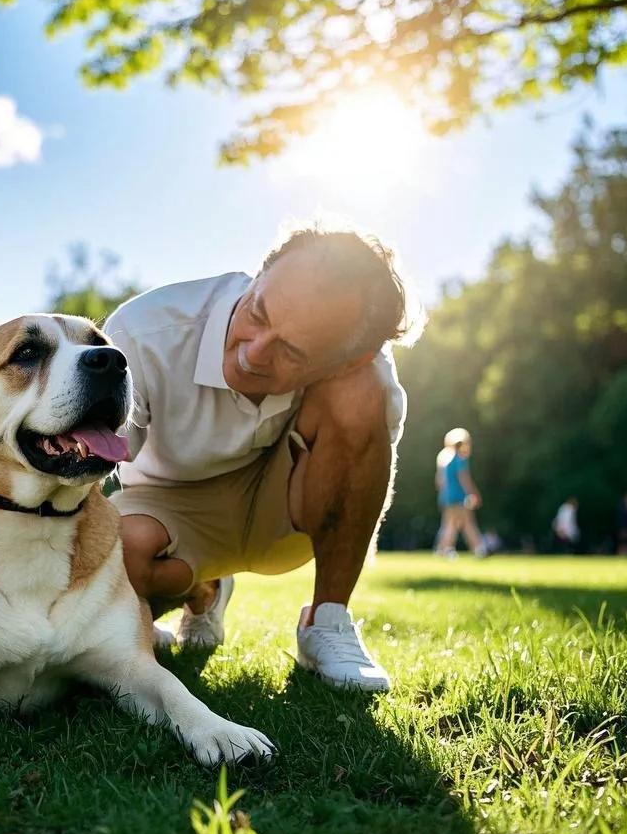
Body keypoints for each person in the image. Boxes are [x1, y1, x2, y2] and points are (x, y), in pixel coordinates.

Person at [104, 224, 420, 692]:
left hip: (285, 502)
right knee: (116, 556)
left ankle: (327, 623)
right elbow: (92, 463)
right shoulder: (144, 331)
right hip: (169, 502)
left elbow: (358, 475)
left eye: (291, 350)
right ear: (260, 273)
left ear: (345, 359)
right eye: (258, 312)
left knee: (358, 397)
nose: (254, 353)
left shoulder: (360, 370)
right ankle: (202, 589)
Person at [433, 428, 487, 559]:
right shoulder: (459, 459)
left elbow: (439, 483)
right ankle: (479, 548)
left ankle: (443, 549)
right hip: (458, 496)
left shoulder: (445, 460)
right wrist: (474, 493)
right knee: (468, 522)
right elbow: (464, 479)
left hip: (447, 497)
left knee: (450, 524)